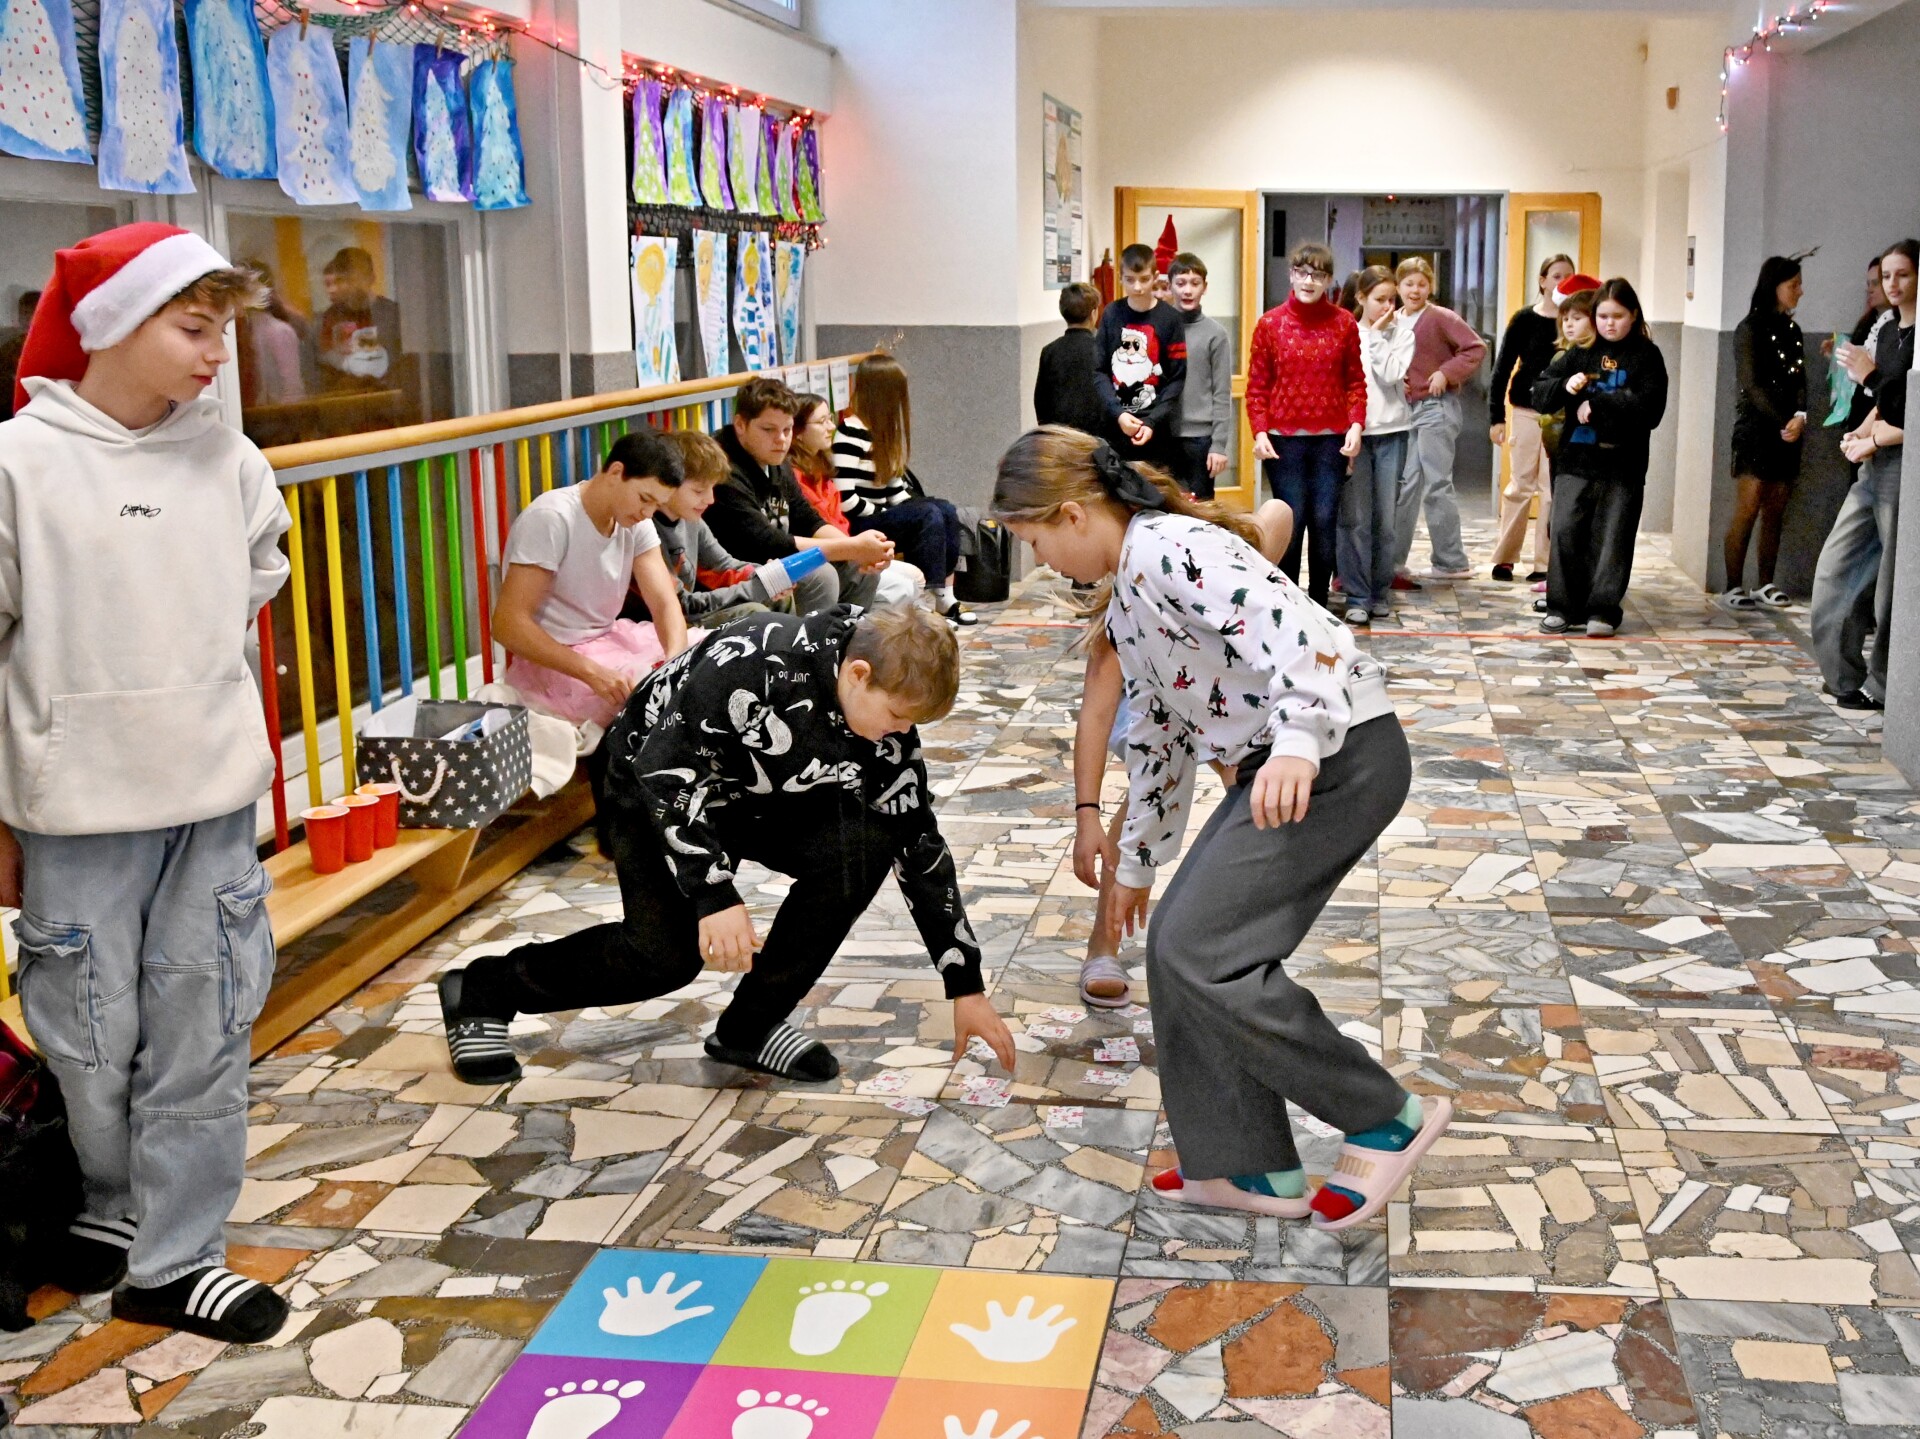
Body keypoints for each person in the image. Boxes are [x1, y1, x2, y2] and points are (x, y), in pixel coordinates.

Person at [994, 426, 1450, 1232]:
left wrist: (1300, 741)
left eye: (1034, 539)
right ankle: (1243, 1162)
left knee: (1205, 950)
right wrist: (1137, 864)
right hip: (1294, 763)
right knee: (1176, 945)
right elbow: (1160, 734)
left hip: (1339, 754)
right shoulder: (1129, 592)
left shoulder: (1170, 548)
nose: (1040, 559)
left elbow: (1305, 633)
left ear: (1072, 514)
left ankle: (1384, 1116)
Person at [0, 223, 294, 1343]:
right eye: (195, 326)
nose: (219, 352)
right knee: (85, 1033)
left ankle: (177, 1255)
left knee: (205, 1026)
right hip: (73, 814)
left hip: (211, 805)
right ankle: (115, 1200)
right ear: (111, 323)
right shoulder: (18, 465)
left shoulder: (232, 461)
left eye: (223, 329)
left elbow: (246, 594)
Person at [438, 603, 1017, 1086]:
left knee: (865, 847)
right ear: (859, 674)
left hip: (758, 792)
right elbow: (666, 772)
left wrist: (964, 983)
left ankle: (750, 1027)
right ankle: (483, 990)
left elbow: (916, 836)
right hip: (650, 781)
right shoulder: (752, 661)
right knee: (662, 958)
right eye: (896, 716)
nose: (900, 733)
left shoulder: (883, 720)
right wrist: (712, 893)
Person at [1071, 496, 1294, 1010]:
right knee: (1147, 791)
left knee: (1246, 781)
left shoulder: (1213, 570)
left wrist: (1233, 549)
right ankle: (1103, 943)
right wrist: (1086, 813)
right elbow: (1096, 717)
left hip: (1218, 698)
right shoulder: (1125, 606)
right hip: (1152, 703)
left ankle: (1238, 937)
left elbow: (1279, 512)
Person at [493, 429, 690, 729]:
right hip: (557, 662)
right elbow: (508, 624)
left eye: (656, 505)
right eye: (644, 499)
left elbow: (664, 602)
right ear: (616, 472)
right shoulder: (552, 518)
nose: (648, 513)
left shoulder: (636, 521)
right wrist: (591, 672)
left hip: (610, 642)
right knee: (645, 697)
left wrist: (675, 659)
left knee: (699, 666)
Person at [1811, 238, 1917, 712]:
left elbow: (1910, 410)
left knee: (1891, 589)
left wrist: (1875, 436)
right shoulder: (1887, 328)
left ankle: (1884, 685)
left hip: (1904, 466)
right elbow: (1883, 403)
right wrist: (1861, 433)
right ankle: (1842, 676)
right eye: (1885, 277)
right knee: (1835, 569)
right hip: (1874, 465)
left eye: (1903, 275)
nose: (1892, 285)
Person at [1530, 279, 1669, 638]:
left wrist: (1601, 401)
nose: (1609, 324)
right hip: (1576, 459)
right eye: (1603, 316)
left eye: (1617, 316)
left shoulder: (1647, 356)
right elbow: (1540, 393)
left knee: (1612, 537)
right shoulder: (1581, 351)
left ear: (1633, 315)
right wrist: (1565, 387)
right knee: (1565, 530)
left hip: (1623, 464)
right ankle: (1562, 607)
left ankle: (1603, 609)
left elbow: (1651, 409)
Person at [1245, 242, 1367, 607]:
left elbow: (1355, 383)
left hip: (1332, 439)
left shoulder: (1344, 323)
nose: (1309, 281)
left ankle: (1318, 603)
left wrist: (1356, 426)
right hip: (1283, 440)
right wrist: (1259, 431)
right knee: (1291, 521)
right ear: (1292, 275)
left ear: (1329, 280)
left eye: (1318, 274)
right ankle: (1288, 603)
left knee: (1325, 519)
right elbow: (1257, 385)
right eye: (1302, 272)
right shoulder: (1270, 324)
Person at [707, 376, 893, 612]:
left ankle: (845, 632)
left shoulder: (776, 458)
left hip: (775, 558)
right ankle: (810, 637)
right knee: (820, 575)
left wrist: (857, 549)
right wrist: (853, 548)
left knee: (859, 570)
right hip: (739, 573)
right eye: (768, 429)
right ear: (741, 425)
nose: (781, 439)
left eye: (787, 429)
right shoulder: (723, 469)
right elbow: (768, 543)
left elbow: (807, 519)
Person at [831, 355, 977, 625]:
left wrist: (914, 506)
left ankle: (945, 596)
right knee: (927, 516)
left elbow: (897, 493)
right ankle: (925, 601)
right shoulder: (850, 432)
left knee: (944, 509)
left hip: (881, 513)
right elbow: (845, 499)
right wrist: (891, 511)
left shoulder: (885, 431)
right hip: (860, 521)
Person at [1391, 257, 1487, 585]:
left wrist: (1446, 373)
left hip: (1436, 408)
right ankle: (1393, 562)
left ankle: (1451, 561)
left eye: (1422, 284)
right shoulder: (1393, 319)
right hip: (1405, 411)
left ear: (1430, 286)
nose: (1415, 290)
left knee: (1437, 484)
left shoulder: (1441, 317)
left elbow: (1475, 348)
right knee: (1406, 486)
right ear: (1398, 287)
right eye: (1408, 284)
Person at [1720, 257, 1809, 611]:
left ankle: (1766, 582)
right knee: (1749, 505)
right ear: (1774, 286)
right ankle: (1732, 584)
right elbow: (1752, 384)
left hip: (1789, 428)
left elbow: (1800, 379)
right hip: (1757, 428)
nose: (1800, 291)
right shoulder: (1749, 329)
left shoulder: (1793, 330)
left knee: (1776, 506)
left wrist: (1800, 416)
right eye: (1793, 285)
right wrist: (1782, 420)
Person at [788, 391, 925, 608]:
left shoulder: (823, 467)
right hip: (827, 557)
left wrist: (862, 548)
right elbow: (815, 525)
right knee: (905, 585)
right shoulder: (794, 476)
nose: (831, 427)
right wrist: (856, 549)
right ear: (798, 432)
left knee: (914, 575)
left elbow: (837, 521)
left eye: (830, 419)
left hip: (844, 547)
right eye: (822, 422)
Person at [648, 427, 791, 629]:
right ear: (667, 484)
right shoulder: (647, 529)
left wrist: (766, 575)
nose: (710, 499)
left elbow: (724, 565)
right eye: (699, 491)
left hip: (689, 615)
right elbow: (683, 605)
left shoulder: (691, 519)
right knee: (753, 613)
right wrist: (757, 588)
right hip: (659, 625)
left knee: (780, 597)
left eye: (712, 488)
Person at [1488, 254, 1576, 582]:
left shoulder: (1575, 321)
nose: (1562, 282)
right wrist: (1496, 416)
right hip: (1526, 409)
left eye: (1568, 276)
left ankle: (1544, 563)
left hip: (1561, 413)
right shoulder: (1525, 319)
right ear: (1542, 281)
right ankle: (1505, 558)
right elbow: (1502, 367)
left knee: (1551, 488)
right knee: (1520, 485)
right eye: (1556, 276)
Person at [1339, 266, 1416, 626]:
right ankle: (1356, 593)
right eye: (1379, 299)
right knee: (1355, 519)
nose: (1387, 306)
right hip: (1354, 435)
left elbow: (1389, 375)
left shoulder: (1403, 333)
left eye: (1391, 300)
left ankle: (1379, 592)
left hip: (1392, 432)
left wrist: (1377, 336)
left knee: (1385, 521)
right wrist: (1367, 334)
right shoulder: (1346, 332)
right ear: (1361, 298)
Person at [1094, 243, 1187, 475]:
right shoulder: (1111, 313)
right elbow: (1099, 371)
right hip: (1115, 427)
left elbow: (1177, 377)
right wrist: (1119, 414)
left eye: (1144, 279)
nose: (1137, 287)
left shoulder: (1170, 318)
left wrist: (1152, 421)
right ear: (1120, 278)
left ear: (1155, 276)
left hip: (1157, 430)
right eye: (1130, 279)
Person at [1168, 252, 1234, 501]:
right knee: (1166, 508)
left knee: (1201, 508)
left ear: (1204, 288)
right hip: (1164, 436)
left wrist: (1218, 445)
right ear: (1170, 285)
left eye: (1195, 283)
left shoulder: (1215, 334)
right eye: (1181, 283)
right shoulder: (1161, 328)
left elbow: (1221, 392)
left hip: (1200, 440)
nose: (1187, 290)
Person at [314, 246, 401, 394]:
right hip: (347, 400)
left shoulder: (394, 315)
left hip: (388, 399)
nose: (351, 286)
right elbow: (324, 372)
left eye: (356, 278)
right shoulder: (328, 320)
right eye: (344, 279)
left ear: (371, 278)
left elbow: (403, 368)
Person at [1034, 281, 1106, 435]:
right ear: (1094, 313)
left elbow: (1041, 400)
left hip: (1060, 436)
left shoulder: (1049, 351)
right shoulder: (1103, 350)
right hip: (1097, 436)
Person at [0, 289, 41, 420]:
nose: (27, 319)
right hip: (11, 408)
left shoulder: (50, 346)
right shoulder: (10, 347)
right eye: (23, 313)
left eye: (31, 313)